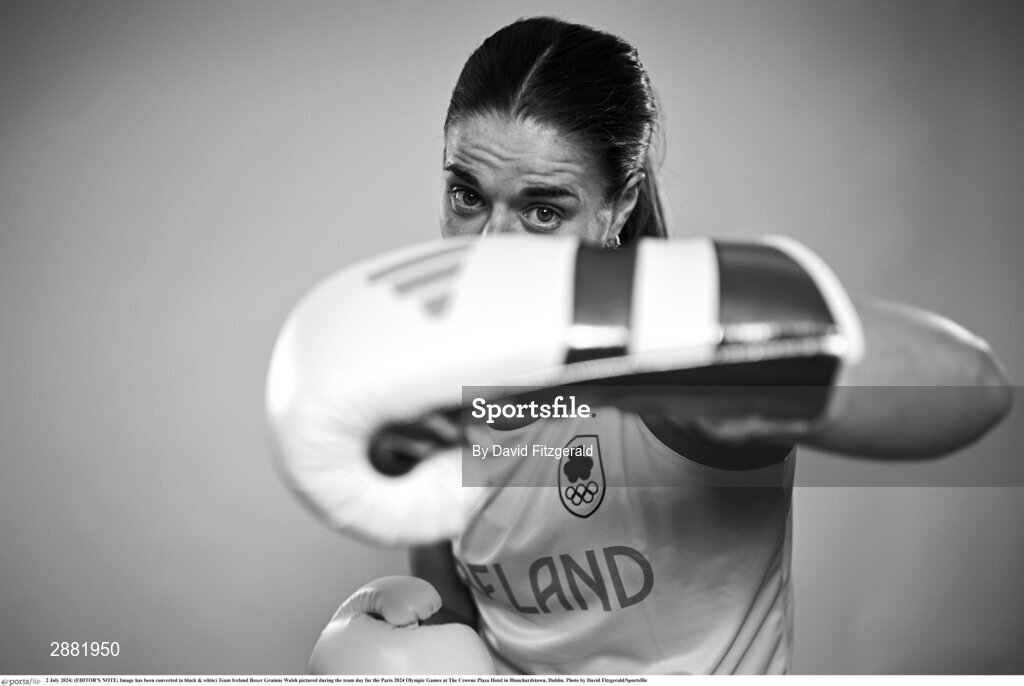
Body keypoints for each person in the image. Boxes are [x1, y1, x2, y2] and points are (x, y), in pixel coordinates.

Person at [401, 16, 1013, 675]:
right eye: (467, 196)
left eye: (543, 211)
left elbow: (975, 385)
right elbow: (462, 619)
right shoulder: (427, 388)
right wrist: (416, 631)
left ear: (618, 207)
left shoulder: (678, 365)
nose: (490, 251)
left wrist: (707, 330)